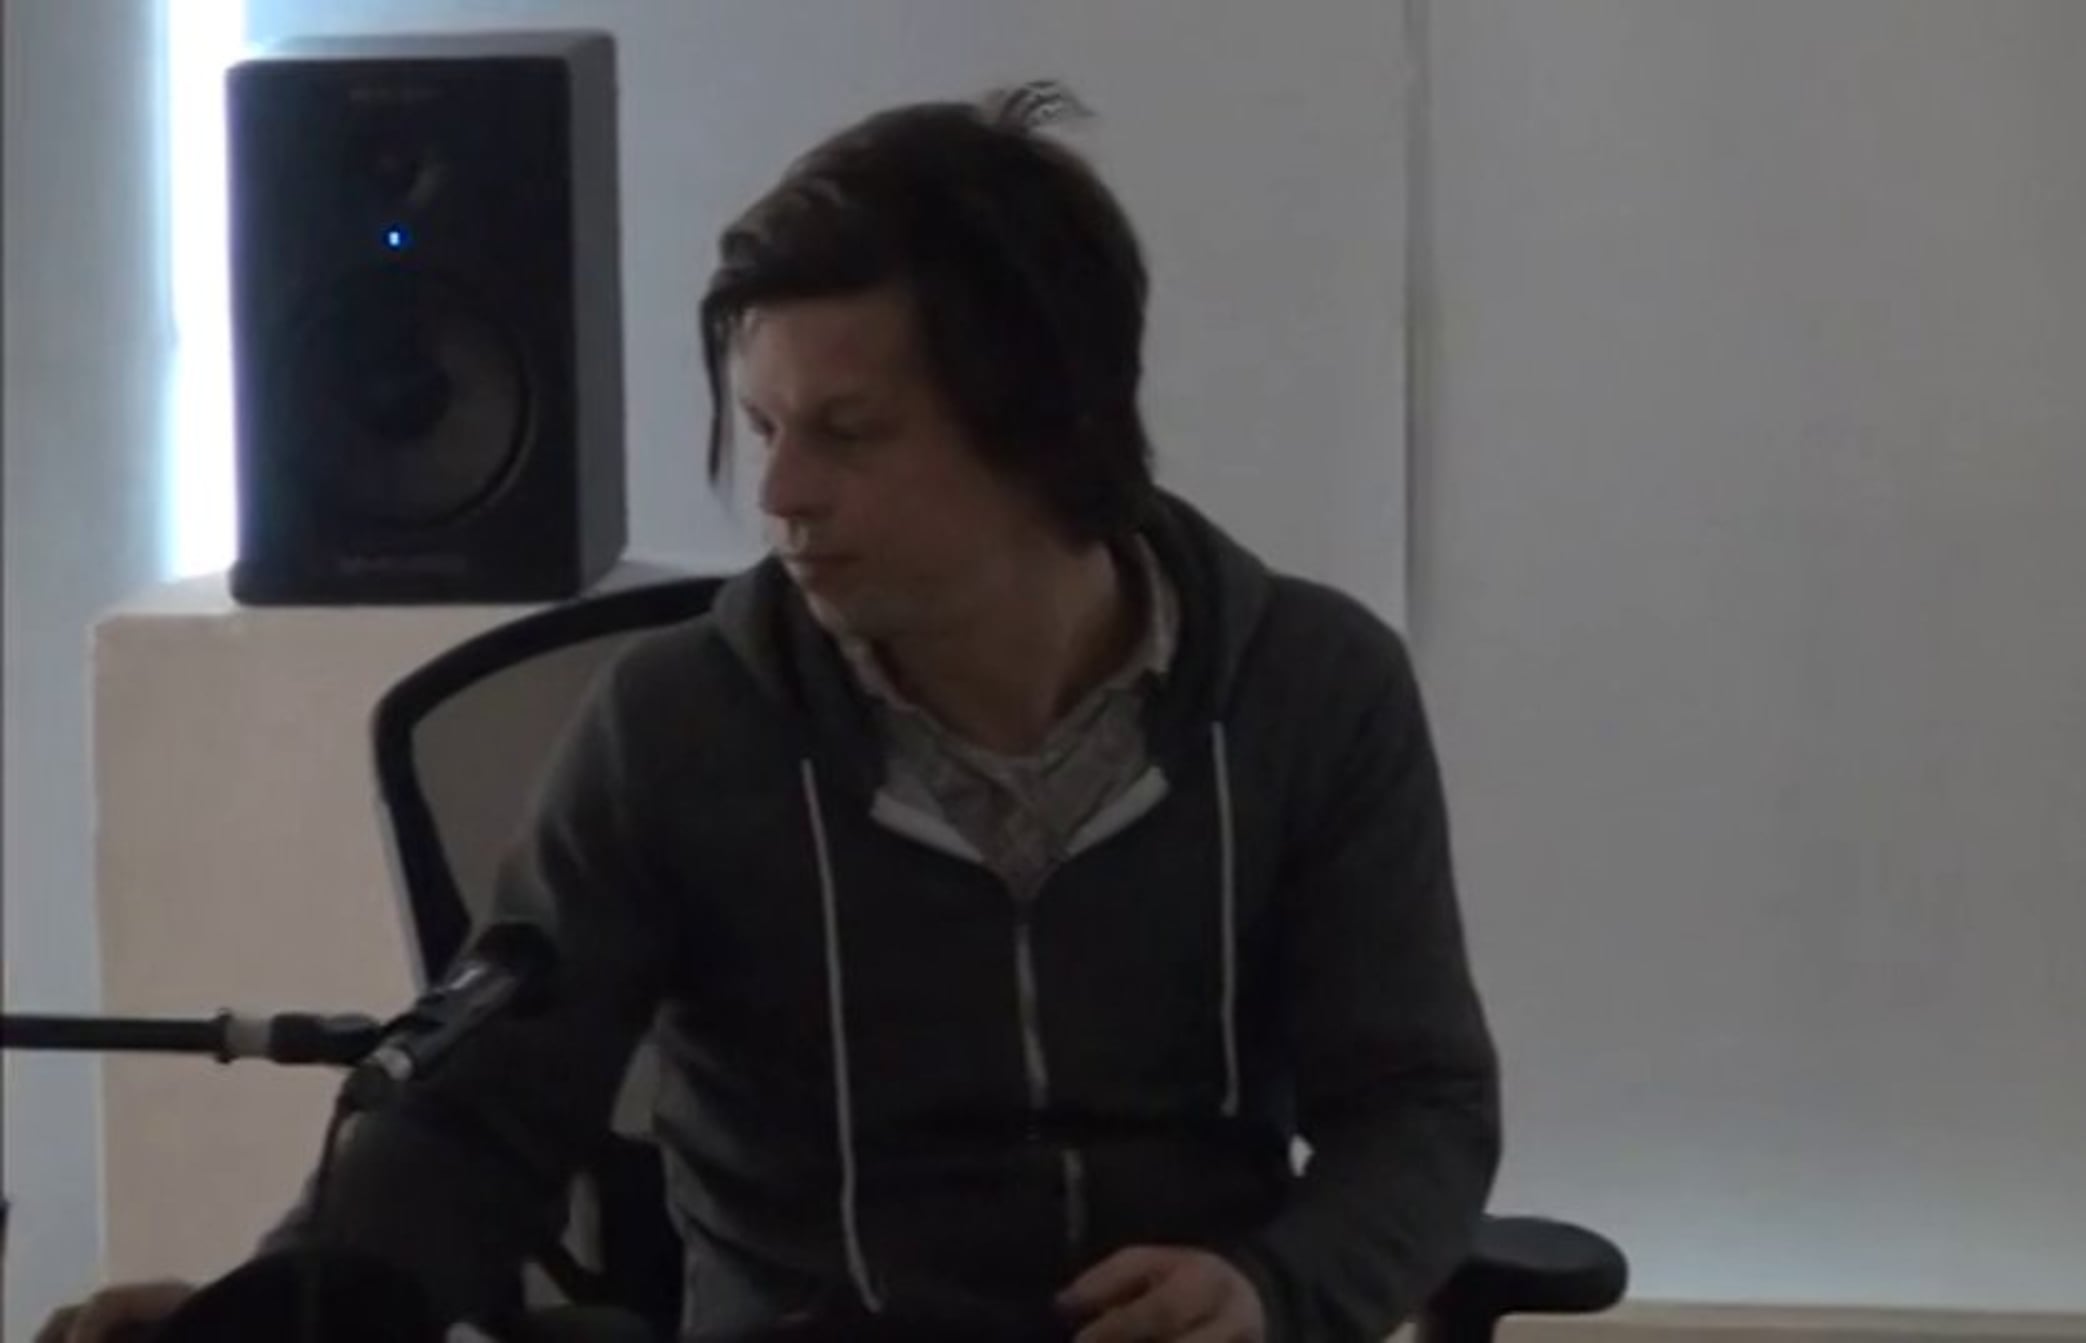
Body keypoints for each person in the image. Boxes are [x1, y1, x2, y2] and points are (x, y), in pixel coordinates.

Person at [42, 81, 1498, 1343]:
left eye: (849, 435)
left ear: (1050, 430)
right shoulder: (680, 727)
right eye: (762, 429)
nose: (782, 495)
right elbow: (479, 1115)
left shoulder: (1312, 691)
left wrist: (1273, 1287)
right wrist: (286, 1311)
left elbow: (1418, 1107)